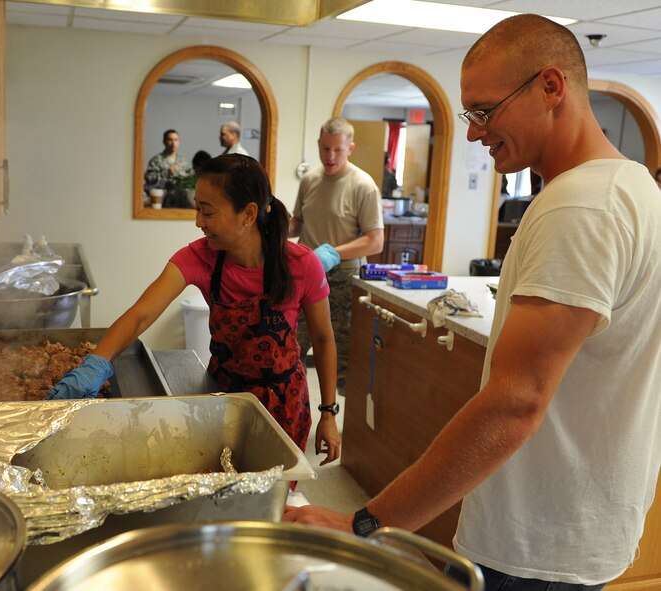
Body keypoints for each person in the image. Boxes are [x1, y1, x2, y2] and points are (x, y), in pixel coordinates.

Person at [285, 14, 661, 591]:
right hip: (577, 527)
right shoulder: (634, 186)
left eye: (484, 112)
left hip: (537, 543)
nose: (472, 133)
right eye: (469, 114)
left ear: (551, 87)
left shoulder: (579, 208)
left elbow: (514, 405)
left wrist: (363, 524)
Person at [48, 154, 341, 464]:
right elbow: (140, 315)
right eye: (197, 210)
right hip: (223, 399)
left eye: (208, 212)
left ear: (248, 214)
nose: (198, 222)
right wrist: (95, 364)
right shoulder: (200, 258)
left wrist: (329, 413)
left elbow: (323, 340)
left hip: (284, 404)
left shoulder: (301, 264)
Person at [289, 117, 384, 397]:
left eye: (337, 150)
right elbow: (298, 222)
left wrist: (332, 254)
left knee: (341, 359)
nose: (330, 156)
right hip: (306, 277)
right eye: (325, 149)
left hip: (342, 280)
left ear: (350, 148)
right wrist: (275, 228)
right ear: (319, 145)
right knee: (291, 348)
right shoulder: (310, 180)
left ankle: (340, 427)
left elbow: (375, 240)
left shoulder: (363, 185)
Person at [145, 129, 193, 207]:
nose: (173, 143)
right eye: (170, 140)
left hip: (182, 203)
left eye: (176, 140)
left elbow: (191, 181)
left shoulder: (185, 161)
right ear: (164, 141)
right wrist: (166, 173)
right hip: (161, 202)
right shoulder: (156, 160)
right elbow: (148, 180)